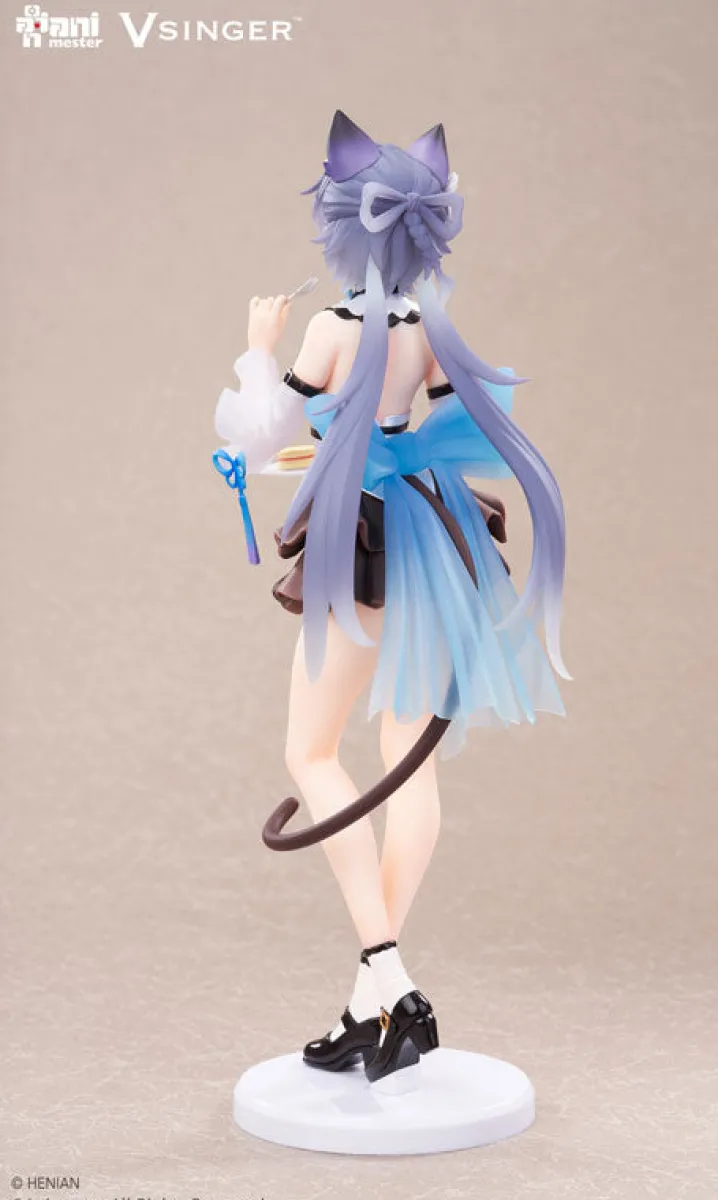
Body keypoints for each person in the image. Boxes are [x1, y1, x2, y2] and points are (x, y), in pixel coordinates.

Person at [214, 112, 569, 1083]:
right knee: (409, 770)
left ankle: (389, 973)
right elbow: (451, 432)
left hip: (363, 544)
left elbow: (263, 435)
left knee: (311, 752)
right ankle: (371, 1006)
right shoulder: (430, 330)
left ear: (341, 227)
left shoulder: (332, 329)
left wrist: (257, 349)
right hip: (426, 540)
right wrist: (366, 448)